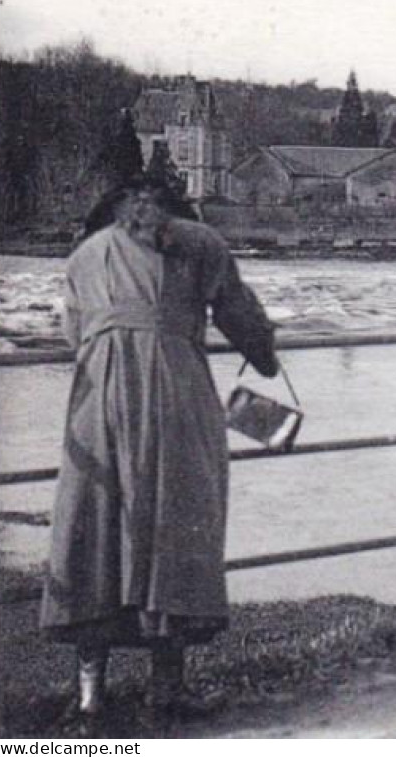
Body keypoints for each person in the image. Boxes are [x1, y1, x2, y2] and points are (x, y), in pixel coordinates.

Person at [41, 178, 278, 727]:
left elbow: (73, 335)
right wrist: (265, 358)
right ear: (171, 208)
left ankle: (90, 693)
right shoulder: (200, 242)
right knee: (178, 520)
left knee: (94, 523)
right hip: (177, 393)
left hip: (98, 397)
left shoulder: (84, 256)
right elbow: (239, 316)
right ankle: (166, 690)